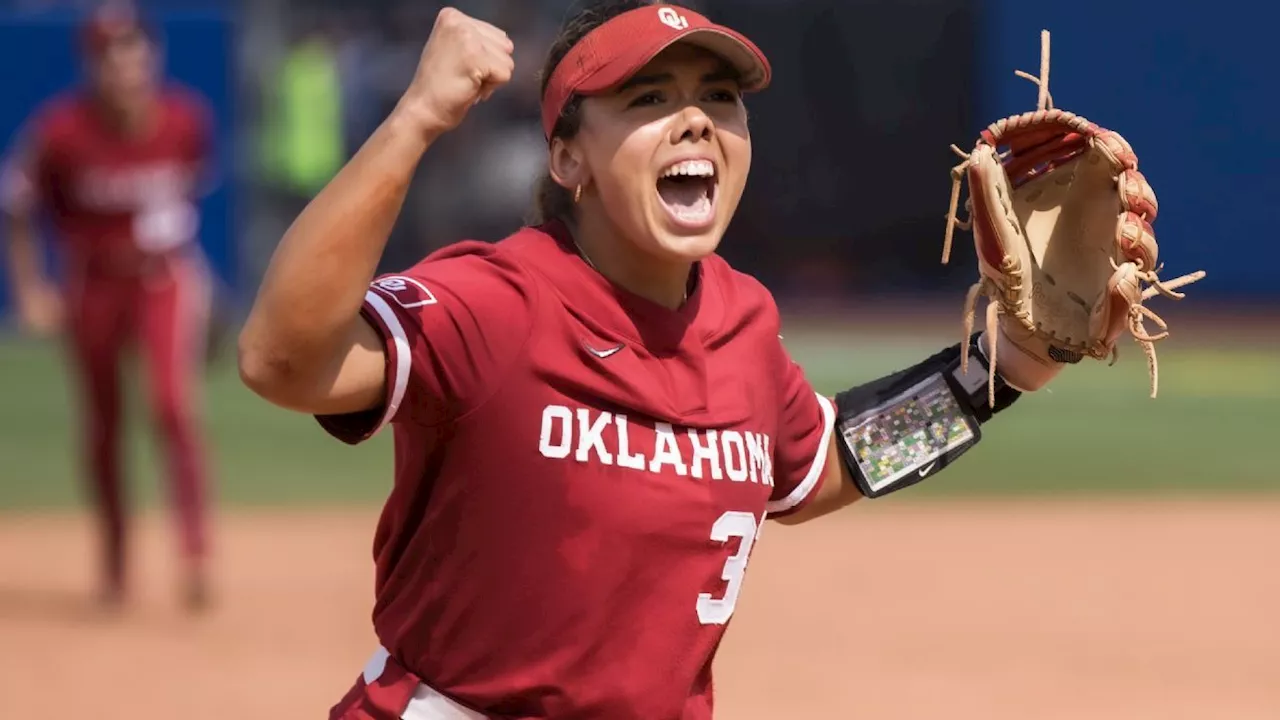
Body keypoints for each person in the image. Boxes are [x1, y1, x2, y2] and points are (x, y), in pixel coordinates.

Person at [238, 2, 1059, 717]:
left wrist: (1004, 368)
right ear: (569, 161)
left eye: (719, 98)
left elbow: (826, 461)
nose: (696, 119)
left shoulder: (742, 320)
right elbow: (281, 361)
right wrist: (416, 117)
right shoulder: (496, 303)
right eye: (650, 98)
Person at [1, 4, 217, 611]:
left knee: (172, 408)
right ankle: (116, 564)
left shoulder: (184, 120)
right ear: (91, 65)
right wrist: (28, 289)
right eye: (110, 57)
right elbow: (15, 204)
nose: (125, 68)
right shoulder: (61, 131)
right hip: (92, 286)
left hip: (161, 281)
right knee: (104, 426)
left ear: (152, 57)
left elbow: (189, 197)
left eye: (134, 53)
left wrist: (195, 273)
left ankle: (196, 552)